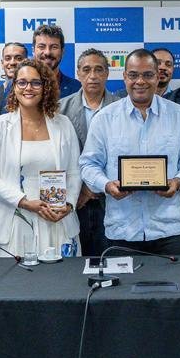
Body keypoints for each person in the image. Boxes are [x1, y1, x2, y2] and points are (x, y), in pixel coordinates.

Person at [80, 49, 180, 255]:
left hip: (168, 230)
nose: (140, 81)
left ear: (157, 77)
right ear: (124, 77)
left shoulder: (178, 115)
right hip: (121, 231)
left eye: (147, 75)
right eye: (133, 75)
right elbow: (88, 165)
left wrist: (179, 182)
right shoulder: (105, 118)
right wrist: (107, 185)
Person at [0, 60, 82, 257]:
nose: (28, 88)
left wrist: (68, 205)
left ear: (45, 87)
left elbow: (75, 173)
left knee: (63, 276)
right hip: (14, 220)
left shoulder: (63, 124)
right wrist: (24, 202)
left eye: (36, 83)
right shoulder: (0, 125)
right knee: (15, 277)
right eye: (22, 82)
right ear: (14, 86)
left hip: (57, 218)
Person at [59, 49, 120, 257]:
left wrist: (96, 185)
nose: (92, 76)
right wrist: (82, 188)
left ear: (107, 73)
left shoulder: (122, 108)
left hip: (113, 200)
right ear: (78, 73)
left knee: (111, 261)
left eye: (99, 69)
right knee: (75, 265)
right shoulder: (60, 109)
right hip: (75, 200)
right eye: (86, 70)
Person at [33, 24, 81, 98]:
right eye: (41, 47)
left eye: (54, 47)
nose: (47, 52)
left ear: (62, 51)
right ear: (33, 50)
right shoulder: (18, 86)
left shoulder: (77, 89)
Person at [0, 41, 27, 115]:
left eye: (18, 58)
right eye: (8, 58)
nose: (12, 63)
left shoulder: (33, 94)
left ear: (26, 62)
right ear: (2, 63)